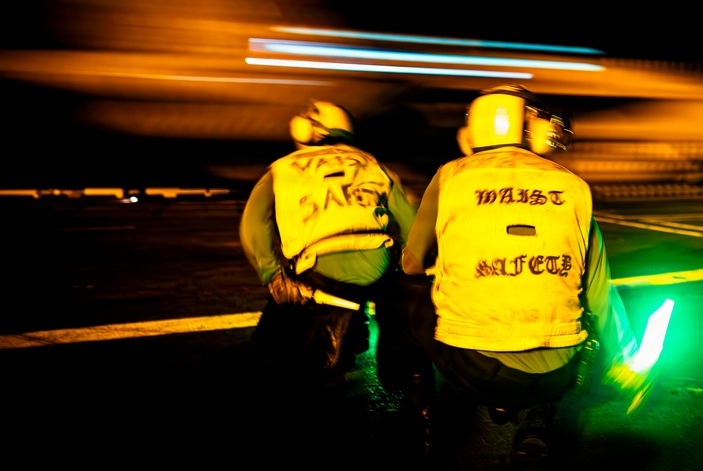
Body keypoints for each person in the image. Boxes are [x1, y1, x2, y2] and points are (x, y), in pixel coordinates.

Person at [375, 84, 651, 469]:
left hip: (474, 368)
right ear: (520, 125)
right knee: (557, 303)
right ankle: (538, 420)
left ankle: (420, 417)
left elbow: (412, 263)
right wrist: (628, 364)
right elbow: (600, 290)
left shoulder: (452, 175)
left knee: (397, 293)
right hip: (560, 370)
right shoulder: (574, 187)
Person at [239, 100, 416, 384]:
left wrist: (271, 274)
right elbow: (409, 222)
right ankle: (406, 379)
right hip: (376, 266)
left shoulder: (282, 168)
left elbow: (254, 223)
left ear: (306, 132)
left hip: (318, 268)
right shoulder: (371, 164)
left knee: (275, 341)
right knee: (399, 308)